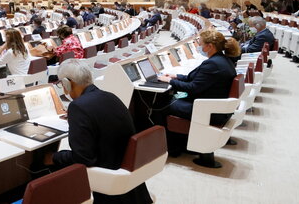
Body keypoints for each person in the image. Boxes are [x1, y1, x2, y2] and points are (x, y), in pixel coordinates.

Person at [51, 59, 153, 204]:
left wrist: (54, 157)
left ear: (67, 83)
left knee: (53, 163)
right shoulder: (110, 96)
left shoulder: (77, 107)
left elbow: (83, 159)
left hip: (108, 177)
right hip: (127, 173)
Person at [157, 31, 238, 156]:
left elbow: (192, 88)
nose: (198, 46)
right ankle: (179, 143)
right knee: (173, 96)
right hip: (210, 103)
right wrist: (176, 76)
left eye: (200, 44)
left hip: (207, 108)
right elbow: (196, 78)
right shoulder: (222, 60)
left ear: (210, 46)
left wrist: (170, 81)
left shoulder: (213, 64)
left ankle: (173, 147)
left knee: (163, 103)